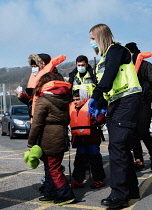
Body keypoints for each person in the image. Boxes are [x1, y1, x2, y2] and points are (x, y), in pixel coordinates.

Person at [88, 24, 142, 209]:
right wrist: (100, 105)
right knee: (122, 149)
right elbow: (109, 86)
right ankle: (131, 190)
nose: (91, 43)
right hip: (115, 103)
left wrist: (95, 97)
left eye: (93, 38)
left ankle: (119, 195)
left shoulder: (116, 51)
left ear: (101, 36)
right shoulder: (103, 59)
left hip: (127, 101)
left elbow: (109, 76)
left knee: (117, 147)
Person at [27, 72, 75, 205]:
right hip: (62, 135)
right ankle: (50, 192)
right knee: (51, 166)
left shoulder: (43, 100)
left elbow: (36, 124)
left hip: (48, 137)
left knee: (53, 168)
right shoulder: (65, 98)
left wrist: (30, 143)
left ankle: (66, 194)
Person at [125, 42, 152, 171]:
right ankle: (139, 159)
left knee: (142, 130)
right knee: (133, 132)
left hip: (145, 102)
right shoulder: (126, 68)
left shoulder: (146, 66)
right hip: (131, 103)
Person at [69, 89, 106, 189]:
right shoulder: (72, 107)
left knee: (95, 160)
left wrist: (96, 116)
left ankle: (99, 179)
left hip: (92, 139)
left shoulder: (92, 106)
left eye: (78, 99)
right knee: (79, 161)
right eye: (74, 100)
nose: (75, 102)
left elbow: (101, 118)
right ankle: (77, 180)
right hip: (80, 139)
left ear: (84, 98)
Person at [18, 53, 65, 118]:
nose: (34, 69)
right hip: (37, 114)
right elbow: (32, 101)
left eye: (35, 66)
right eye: (32, 67)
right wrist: (23, 97)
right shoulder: (35, 77)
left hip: (49, 115)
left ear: (42, 66)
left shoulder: (54, 77)